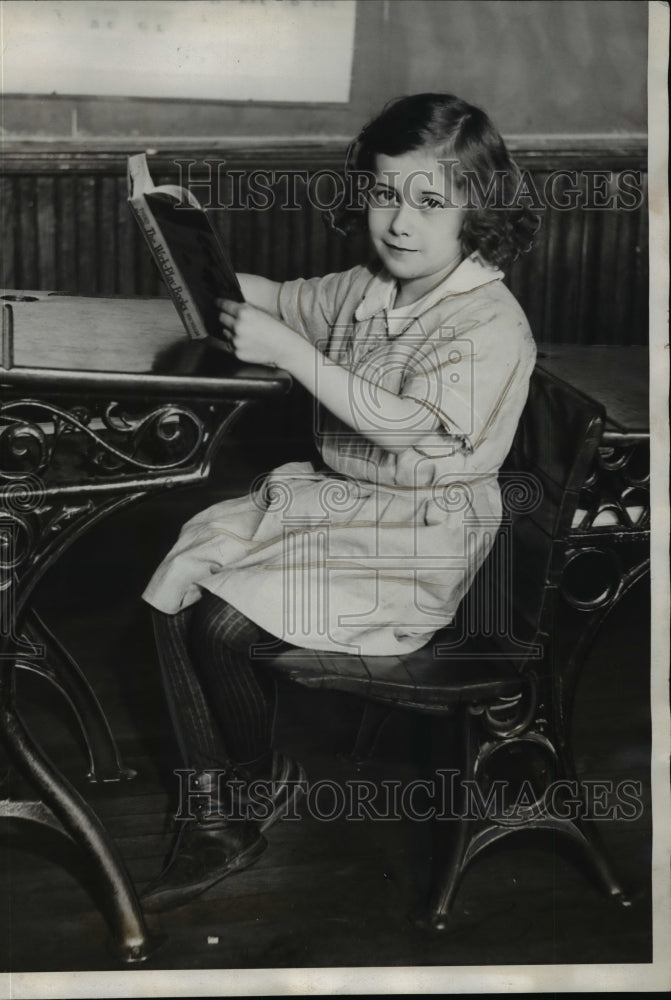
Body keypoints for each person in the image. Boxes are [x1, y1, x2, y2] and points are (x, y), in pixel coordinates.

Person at [140, 93, 540, 911]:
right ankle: (225, 792)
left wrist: (286, 350)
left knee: (220, 621)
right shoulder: (368, 285)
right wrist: (198, 266)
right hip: (346, 507)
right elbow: (275, 299)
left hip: (420, 543)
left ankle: (244, 801)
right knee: (171, 586)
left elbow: (399, 427)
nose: (399, 222)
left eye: (430, 202)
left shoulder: (489, 321)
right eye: (385, 193)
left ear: (477, 211)